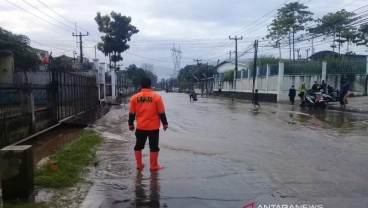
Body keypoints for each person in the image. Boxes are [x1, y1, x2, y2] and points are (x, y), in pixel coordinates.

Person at [129, 77, 168, 171]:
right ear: (150, 85)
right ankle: (154, 166)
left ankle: (139, 164)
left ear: (140, 85)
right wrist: (165, 124)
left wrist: (130, 124)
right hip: (153, 127)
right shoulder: (157, 97)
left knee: (138, 145)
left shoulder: (134, 97)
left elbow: (132, 113)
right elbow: (161, 112)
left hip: (140, 126)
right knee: (154, 147)